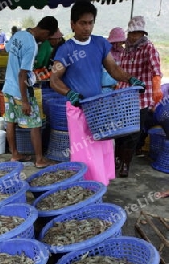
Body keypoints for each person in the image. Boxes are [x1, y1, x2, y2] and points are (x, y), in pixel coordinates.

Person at [50, 1, 145, 183]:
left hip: (99, 108)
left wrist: (129, 78)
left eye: (90, 22)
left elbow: (113, 69)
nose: (87, 27)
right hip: (78, 109)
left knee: (103, 148)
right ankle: (84, 188)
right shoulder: (66, 49)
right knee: (84, 152)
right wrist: (70, 94)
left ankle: (100, 186)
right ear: (72, 24)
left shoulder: (100, 43)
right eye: (82, 23)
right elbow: (54, 80)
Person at [2, 16, 58, 168]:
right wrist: (25, 100)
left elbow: (7, 50)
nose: (46, 39)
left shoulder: (18, 35)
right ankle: (39, 160)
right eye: (48, 36)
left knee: (11, 121)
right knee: (35, 124)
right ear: (45, 32)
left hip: (8, 87)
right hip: (21, 89)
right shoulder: (32, 45)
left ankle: (15, 154)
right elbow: (22, 74)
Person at [115, 16, 163, 176]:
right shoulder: (126, 49)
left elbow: (156, 70)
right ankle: (117, 158)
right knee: (119, 129)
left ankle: (125, 164)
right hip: (123, 95)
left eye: (138, 33)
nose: (134, 36)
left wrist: (157, 87)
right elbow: (120, 71)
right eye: (132, 33)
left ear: (143, 33)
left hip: (140, 98)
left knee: (133, 132)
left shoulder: (148, 48)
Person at [101, 27, 126, 93]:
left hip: (119, 90)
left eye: (119, 42)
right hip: (103, 89)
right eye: (115, 42)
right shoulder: (105, 53)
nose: (117, 44)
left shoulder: (124, 54)